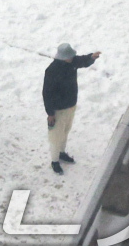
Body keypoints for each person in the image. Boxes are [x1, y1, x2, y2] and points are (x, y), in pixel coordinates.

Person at [42, 43, 100, 175]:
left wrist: (91, 57)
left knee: (65, 131)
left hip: (70, 106)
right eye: (70, 56)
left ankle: (62, 153)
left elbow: (81, 60)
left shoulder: (71, 62)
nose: (72, 58)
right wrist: (50, 113)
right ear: (63, 57)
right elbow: (47, 93)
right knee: (56, 136)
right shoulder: (52, 71)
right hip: (58, 109)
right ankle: (55, 161)